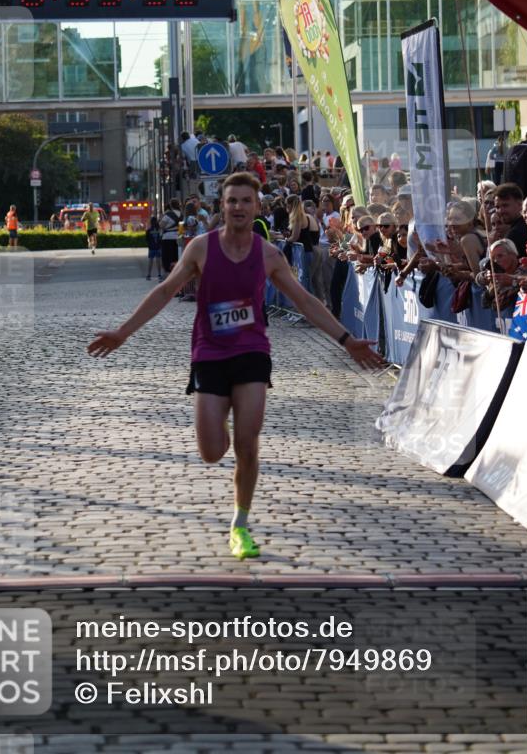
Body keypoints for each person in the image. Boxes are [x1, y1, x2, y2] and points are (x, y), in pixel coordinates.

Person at [87, 172, 383, 560]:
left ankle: (239, 525)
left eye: (246, 201)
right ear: (222, 206)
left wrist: (346, 341)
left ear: (257, 207)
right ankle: (220, 420)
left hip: (251, 352)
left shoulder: (269, 255)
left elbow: (306, 301)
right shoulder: (200, 249)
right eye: (232, 201)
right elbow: (164, 291)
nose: (239, 207)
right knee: (212, 452)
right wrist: (123, 333)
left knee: (247, 443)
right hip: (209, 353)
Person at [145, 216, 163, 281]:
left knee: (150, 261)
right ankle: (159, 274)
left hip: (151, 247)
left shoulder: (148, 230)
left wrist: (149, 245)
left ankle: (149, 275)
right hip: (158, 247)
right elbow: (161, 238)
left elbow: (147, 239)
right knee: (158, 261)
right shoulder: (159, 230)